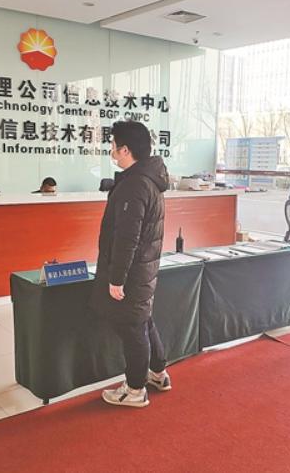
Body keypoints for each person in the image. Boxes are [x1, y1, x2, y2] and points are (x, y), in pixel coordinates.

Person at [89, 120, 170, 408]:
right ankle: (158, 373)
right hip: (144, 268)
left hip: (132, 273)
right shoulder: (148, 179)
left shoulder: (135, 184)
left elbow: (127, 238)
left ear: (125, 150)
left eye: (113, 145)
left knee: (133, 329)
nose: (111, 150)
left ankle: (135, 389)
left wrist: (116, 279)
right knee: (142, 319)